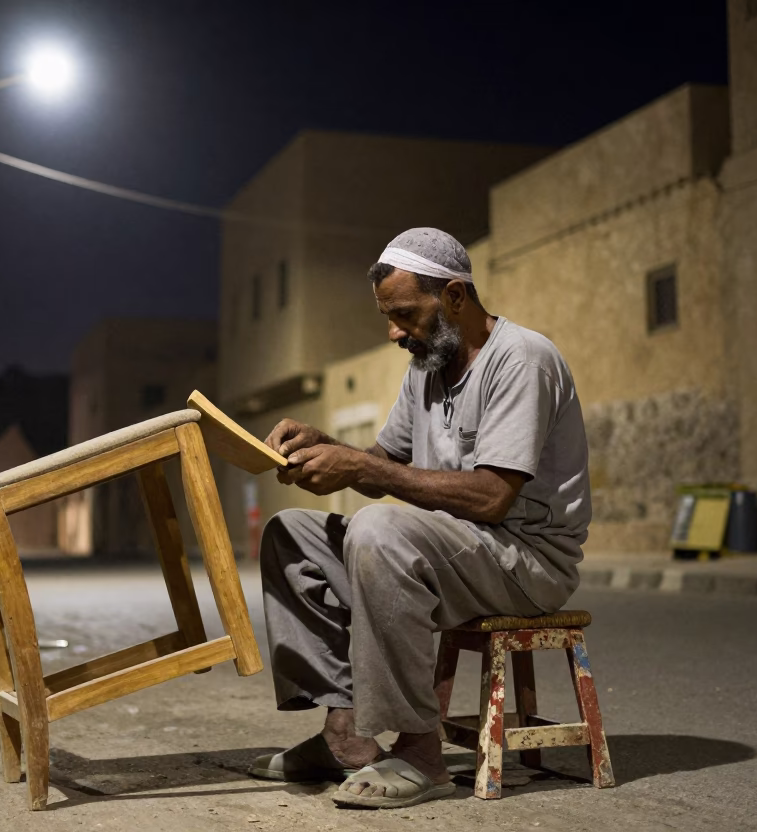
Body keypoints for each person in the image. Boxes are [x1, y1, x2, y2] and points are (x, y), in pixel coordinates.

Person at [247, 227, 591, 810]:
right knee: (292, 534)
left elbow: (491, 499)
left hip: (526, 560)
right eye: (389, 316)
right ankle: (345, 736)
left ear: (455, 295)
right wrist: (323, 446)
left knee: (379, 530)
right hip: (457, 549)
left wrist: (361, 469)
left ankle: (421, 754)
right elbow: (382, 462)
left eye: (405, 315)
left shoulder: (522, 360)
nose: (393, 332)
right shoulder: (427, 368)